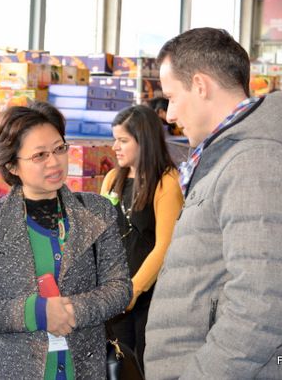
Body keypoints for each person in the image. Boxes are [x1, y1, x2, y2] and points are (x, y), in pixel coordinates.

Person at [144, 27, 282, 379]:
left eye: (172, 97)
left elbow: (261, 307)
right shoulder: (229, 156)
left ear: (201, 85)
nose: (169, 115)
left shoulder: (256, 163)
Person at [0, 102, 132, 379]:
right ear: (12, 165)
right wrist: (38, 312)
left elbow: (119, 288)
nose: (54, 162)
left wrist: (71, 311)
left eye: (59, 149)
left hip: (83, 366)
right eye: (40, 155)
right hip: (8, 369)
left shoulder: (96, 211)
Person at [100, 105, 183, 372]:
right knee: (118, 363)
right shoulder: (113, 178)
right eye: (115, 139)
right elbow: (102, 237)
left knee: (150, 364)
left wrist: (133, 290)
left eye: (123, 140)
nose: (115, 147)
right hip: (117, 292)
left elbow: (165, 246)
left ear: (144, 140)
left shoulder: (166, 182)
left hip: (152, 294)